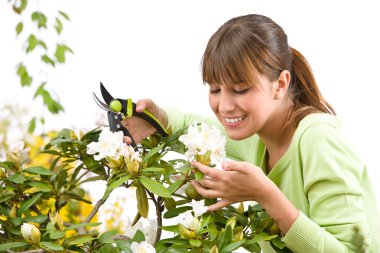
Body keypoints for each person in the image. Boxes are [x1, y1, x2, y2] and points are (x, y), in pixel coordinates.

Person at [122, 14, 380, 252]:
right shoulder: (256, 137)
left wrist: (265, 194)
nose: (223, 106)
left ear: (280, 85)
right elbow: (192, 124)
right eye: (214, 89)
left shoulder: (318, 138)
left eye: (240, 89)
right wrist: (158, 117)